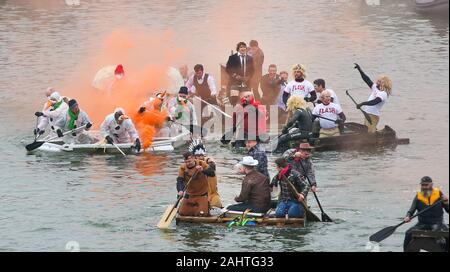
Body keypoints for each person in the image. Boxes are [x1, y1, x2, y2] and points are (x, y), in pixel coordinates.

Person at [403, 176, 449, 251]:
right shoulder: (418, 196)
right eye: (422, 185)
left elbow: (448, 210)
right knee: (408, 233)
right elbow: (411, 210)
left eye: (426, 185)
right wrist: (408, 216)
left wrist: (446, 203)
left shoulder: (439, 194)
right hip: (422, 224)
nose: (424, 187)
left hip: (438, 223)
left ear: (431, 185)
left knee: (446, 236)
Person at [354, 63, 392, 133]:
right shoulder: (375, 88)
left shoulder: (383, 94)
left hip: (373, 116)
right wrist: (360, 70)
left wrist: (362, 103)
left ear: (384, 83)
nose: (377, 82)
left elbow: (374, 102)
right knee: (365, 132)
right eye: (377, 80)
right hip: (367, 114)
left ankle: (381, 137)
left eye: (379, 81)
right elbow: (367, 80)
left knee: (369, 134)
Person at [177, 152, 216, 217]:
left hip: (202, 194)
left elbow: (212, 173)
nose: (188, 164)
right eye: (186, 162)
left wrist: (203, 170)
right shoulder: (183, 168)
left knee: (202, 214)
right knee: (182, 214)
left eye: (189, 161)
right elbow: (179, 181)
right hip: (190, 194)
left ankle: (207, 206)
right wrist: (180, 190)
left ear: (193, 158)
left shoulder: (201, 163)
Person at [189, 140, 223, 209]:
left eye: (202, 155)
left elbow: (212, 170)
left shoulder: (208, 160)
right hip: (198, 196)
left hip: (212, 196)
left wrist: (202, 170)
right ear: (194, 157)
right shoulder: (190, 166)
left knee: (216, 204)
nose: (200, 157)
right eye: (198, 156)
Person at [225, 42, 255, 106]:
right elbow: (228, 69)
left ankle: (245, 114)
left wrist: (248, 77)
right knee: (234, 100)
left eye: (244, 47)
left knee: (246, 102)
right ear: (238, 48)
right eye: (241, 47)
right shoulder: (232, 57)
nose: (243, 48)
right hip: (234, 83)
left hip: (246, 84)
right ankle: (234, 113)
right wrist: (235, 76)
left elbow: (252, 70)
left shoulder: (250, 58)